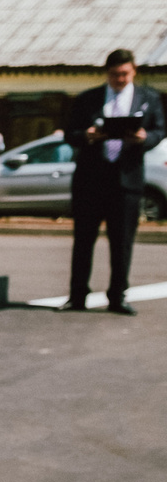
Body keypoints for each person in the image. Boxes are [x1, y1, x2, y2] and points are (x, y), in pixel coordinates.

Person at [62, 48, 161, 314]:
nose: (120, 79)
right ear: (107, 73)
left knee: (122, 241)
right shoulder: (87, 99)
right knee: (83, 240)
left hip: (127, 180)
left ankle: (118, 296)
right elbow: (70, 134)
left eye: (125, 74)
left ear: (134, 71)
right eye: (115, 74)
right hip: (90, 180)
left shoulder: (148, 98)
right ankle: (77, 296)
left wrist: (144, 138)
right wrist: (86, 135)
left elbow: (159, 131)